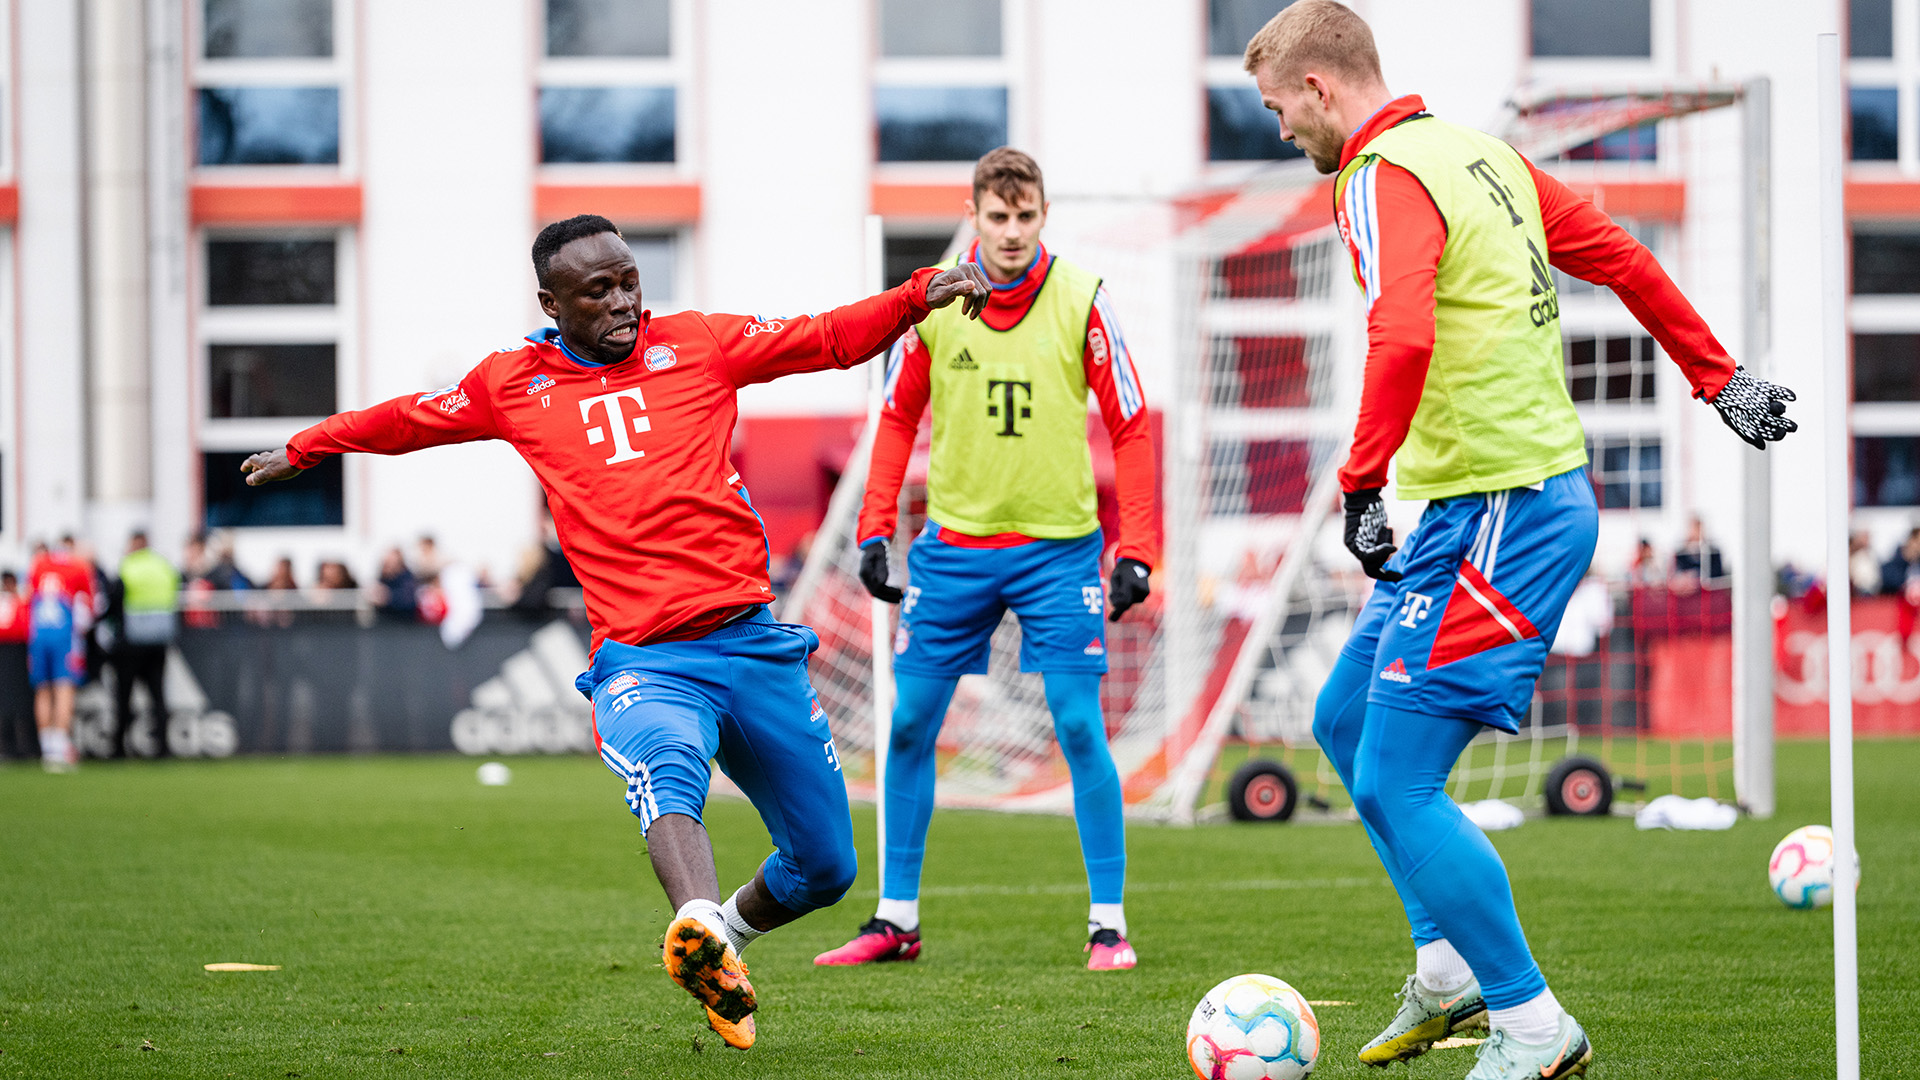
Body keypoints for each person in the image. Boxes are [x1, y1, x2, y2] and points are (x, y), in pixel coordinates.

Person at [239, 213, 989, 1050]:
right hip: (646, 658)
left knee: (826, 868)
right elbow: (410, 419)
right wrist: (307, 448)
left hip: (752, 642)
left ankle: (718, 945)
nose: (624, 300)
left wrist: (920, 291)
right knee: (668, 767)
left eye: (629, 278)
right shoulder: (512, 382)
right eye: (598, 289)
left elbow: (826, 338)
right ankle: (696, 916)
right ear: (550, 301)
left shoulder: (699, 342)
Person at [1242, 4, 1798, 1077]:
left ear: (1319, 88)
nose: (1278, 132)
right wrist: (1718, 377)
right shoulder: (1484, 156)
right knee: (1345, 721)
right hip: (1472, 508)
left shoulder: (1378, 174)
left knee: (1401, 777)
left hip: (1511, 510)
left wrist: (1359, 483)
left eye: (1277, 109)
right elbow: (1623, 257)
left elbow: (1398, 330)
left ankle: (1535, 1026)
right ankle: (1446, 973)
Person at [816, 147, 1158, 972]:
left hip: (1057, 553)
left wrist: (1137, 547)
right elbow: (895, 421)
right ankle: (896, 920)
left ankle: (1107, 924)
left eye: (1026, 216)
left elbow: (1134, 423)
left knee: (1078, 725)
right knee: (907, 727)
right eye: (997, 216)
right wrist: (874, 529)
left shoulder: (1083, 300)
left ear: (1043, 216)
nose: (1011, 232)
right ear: (974, 215)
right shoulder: (934, 305)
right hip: (953, 554)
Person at [28, 537, 95, 772]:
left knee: (43, 690)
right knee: (64, 688)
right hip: (64, 637)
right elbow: (89, 608)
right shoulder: (79, 567)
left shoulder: (39, 565)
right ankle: (58, 748)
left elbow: (29, 598)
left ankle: (48, 749)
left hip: (38, 637)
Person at [112, 530, 181, 759]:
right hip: (159, 639)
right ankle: (163, 747)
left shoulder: (128, 566)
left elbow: (114, 599)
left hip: (131, 641)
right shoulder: (163, 565)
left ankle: (118, 747)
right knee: (158, 696)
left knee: (124, 696)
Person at [0, 571, 34, 761]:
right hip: (8, 655)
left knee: (21, 703)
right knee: (8, 703)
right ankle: (9, 745)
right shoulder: (15, 603)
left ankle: (24, 745)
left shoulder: (22, 602)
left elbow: (25, 627)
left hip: (19, 655)